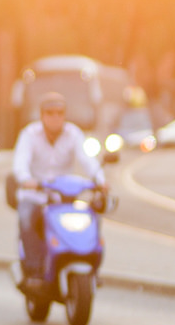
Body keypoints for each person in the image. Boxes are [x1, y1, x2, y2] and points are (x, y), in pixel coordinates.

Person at [10, 92, 106, 279]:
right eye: (50, 113)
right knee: (26, 217)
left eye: (59, 113)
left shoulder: (74, 133)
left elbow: (87, 160)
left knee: (92, 217)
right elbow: (19, 164)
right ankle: (33, 270)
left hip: (64, 198)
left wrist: (100, 180)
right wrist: (25, 179)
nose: (55, 118)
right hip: (35, 196)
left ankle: (91, 264)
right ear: (42, 116)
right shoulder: (29, 134)